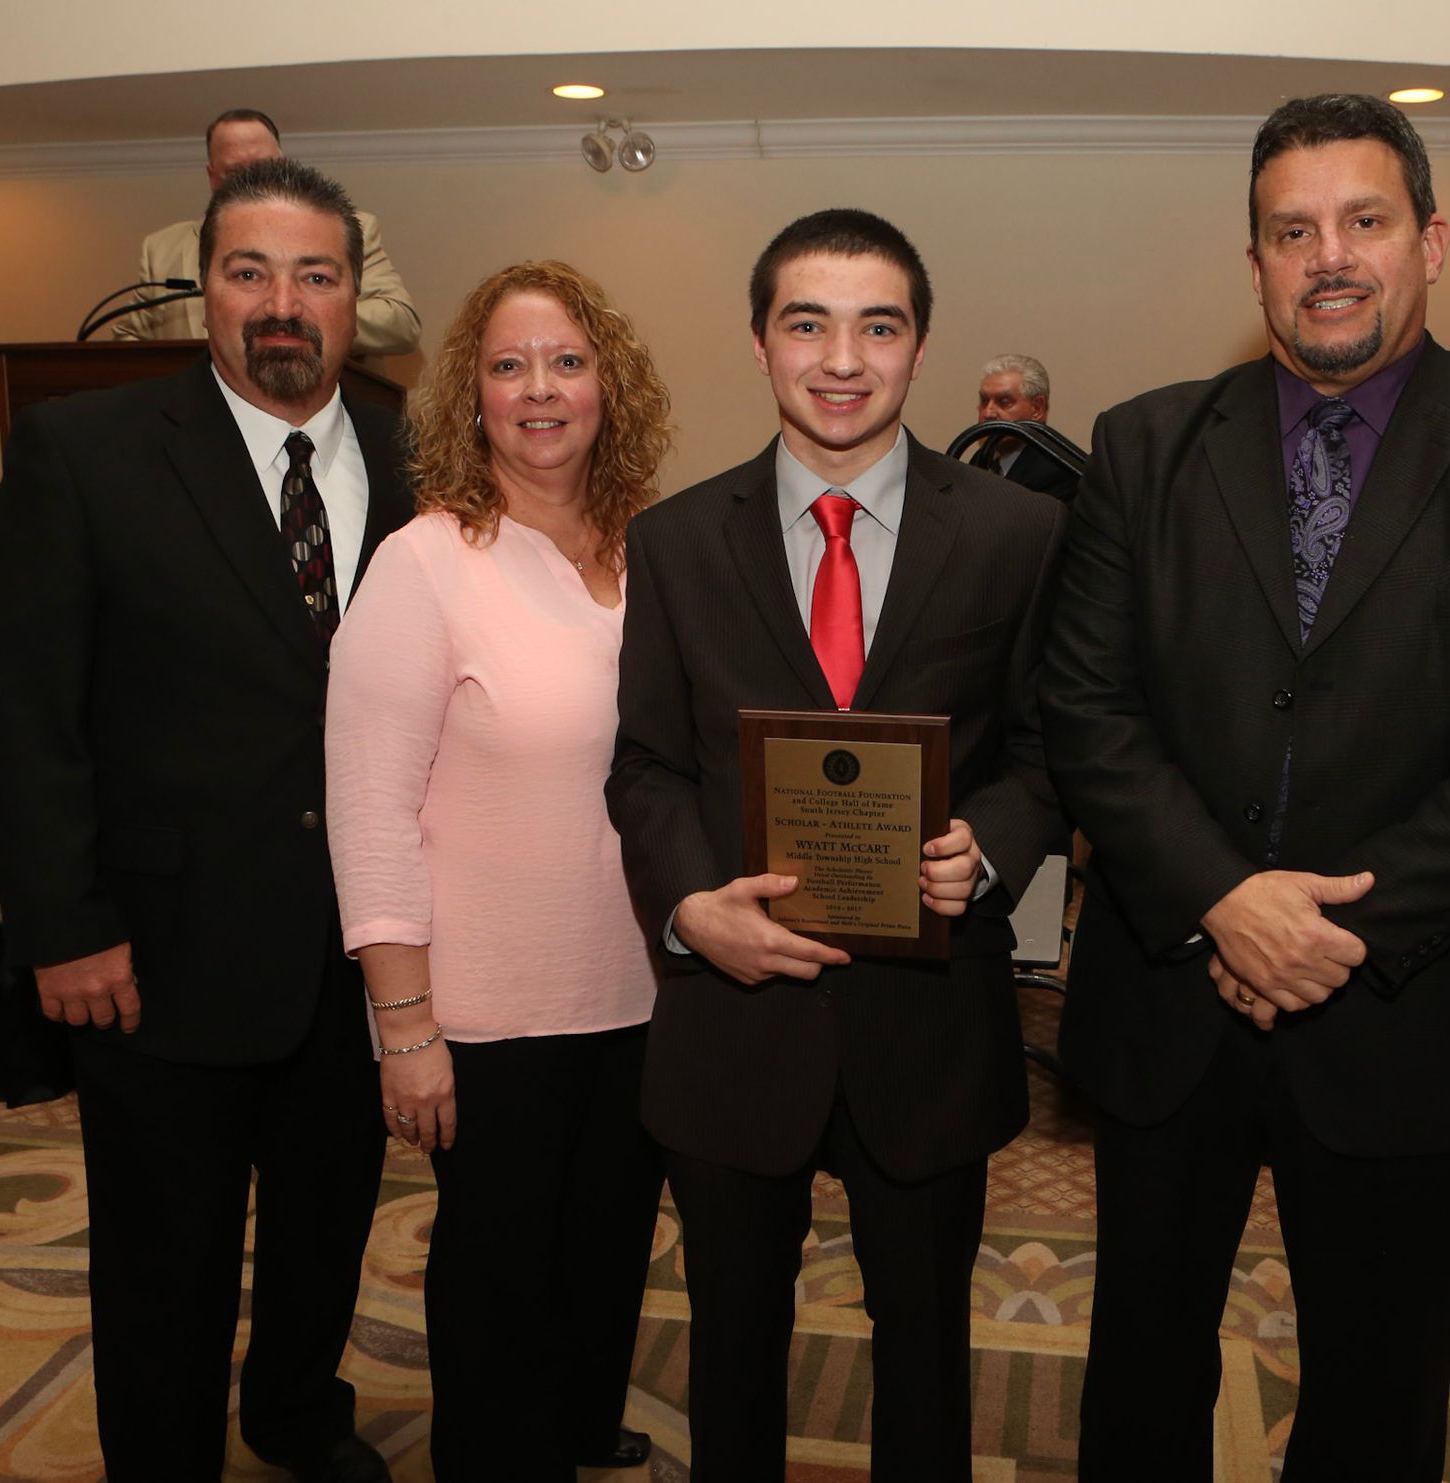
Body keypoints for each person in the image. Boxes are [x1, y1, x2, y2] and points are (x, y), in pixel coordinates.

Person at [1039, 93, 1450, 1481]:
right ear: (1253, 261)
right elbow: (1084, 701)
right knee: (1140, 1364)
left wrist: (1331, 929)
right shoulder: (1141, 446)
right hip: (1170, 989)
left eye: (1364, 221)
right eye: (1292, 229)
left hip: (1418, 1003)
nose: (1330, 255)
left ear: (1429, 241)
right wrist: (1222, 899)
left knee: (1382, 1386)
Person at [0, 158, 413, 1483]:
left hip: (357, 948)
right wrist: (64, 921)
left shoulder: (416, 451)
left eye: (315, 274)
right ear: (201, 290)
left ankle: (295, 1413)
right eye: (249, 271)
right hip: (152, 955)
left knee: (331, 1221)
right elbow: (15, 700)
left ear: (353, 299)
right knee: (167, 1251)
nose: (283, 302)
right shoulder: (83, 449)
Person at [606, 208, 1069, 1480]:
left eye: (880, 324)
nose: (842, 357)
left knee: (926, 1346)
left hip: (928, 1026)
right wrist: (693, 904)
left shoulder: (1017, 534)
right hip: (731, 1022)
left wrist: (993, 850)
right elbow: (645, 761)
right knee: (732, 1344)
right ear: (759, 343)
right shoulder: (678, 539)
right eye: (807, 323)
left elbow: (1049, 750)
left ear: (920, 346)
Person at [324, 261, 672, 1479]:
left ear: (608, 387)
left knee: (608, 1243)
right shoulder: (425, 563)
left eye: (568, 362)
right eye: (510, 365)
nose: (540, 390)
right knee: (497, 1270)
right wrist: (404, 1023)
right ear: (469, 397)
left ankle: (579, 1420)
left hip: (644, 986)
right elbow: (368, 812)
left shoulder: (654, 551)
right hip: (488, 1009)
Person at [113, 108, 421, 356]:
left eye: (263, 166)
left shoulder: (348, 229)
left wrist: (299, 321)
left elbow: (399, 322)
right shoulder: (162, 247)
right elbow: (128, 338)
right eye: (235, 172)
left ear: (283, 165)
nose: (252, 180)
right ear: (213, 177)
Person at [971, 353, 1077, 499]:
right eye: (984, 400)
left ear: (1037, 408)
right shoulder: (981, 460)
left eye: (1004, 402)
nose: (988, 413)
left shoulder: (1058, 472)